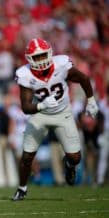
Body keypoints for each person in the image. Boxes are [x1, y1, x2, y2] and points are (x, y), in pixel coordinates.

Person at [12, 38, 98, 201]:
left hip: (62, 113)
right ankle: (22, 188)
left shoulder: (62, 65)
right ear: (29, 59)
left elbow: (84, 79)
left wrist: (91, 100)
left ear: (50, 53)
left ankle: (69, 165)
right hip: (40, 115)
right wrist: (42, 105)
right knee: (27, 156)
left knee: (75, 157)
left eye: (43, 55)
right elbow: (25, 107)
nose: (41, 60)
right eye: (36, 57)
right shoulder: (25, 74)